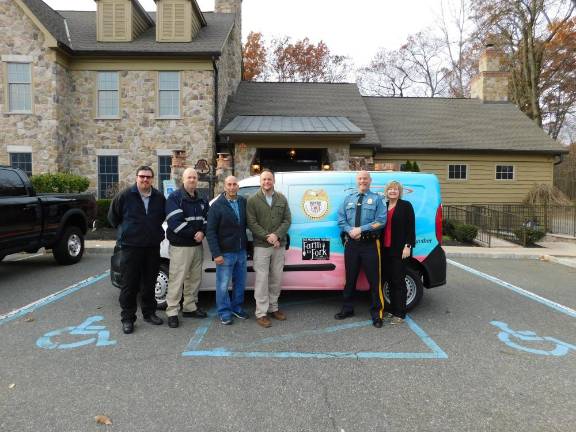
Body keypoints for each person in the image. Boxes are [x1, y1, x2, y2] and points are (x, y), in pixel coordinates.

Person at [108, 166, 166, 334]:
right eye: (142, 176)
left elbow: (160, 217)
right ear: (136, 177)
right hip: (130, 248)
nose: (145, 180)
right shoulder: (125, 196)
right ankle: (127, 318)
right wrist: (127, 231)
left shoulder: (159, 198)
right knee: (129, 285)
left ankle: (149, 313)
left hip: (152, 247)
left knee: (149, 282)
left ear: (152, 179)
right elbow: (113, 218)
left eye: (148, 177)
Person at [335, 170, 387, 328]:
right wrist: (350, 230)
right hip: (351, 245)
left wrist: (361, 229)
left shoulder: (377, 199)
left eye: (365, 178)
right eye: (360, 178)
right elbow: (341, 219)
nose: (362, 181)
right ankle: (347, 308)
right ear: (356, 181)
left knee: (374, 280)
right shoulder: (348, 199)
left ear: (370, 181)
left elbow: (381, 221)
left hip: (370, 245)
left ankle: (377, 314)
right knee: (350, 279)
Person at [164, 168, 209, 329]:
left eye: (194, 177)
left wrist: (202, 232)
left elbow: (206, 219)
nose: (192, 180)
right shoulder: (175, 198)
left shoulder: (201, 199)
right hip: (181, 246)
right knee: (177, 279)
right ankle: (172, 312)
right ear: (183, 179)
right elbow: (175, 223)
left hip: (197, 246)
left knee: (194, 279)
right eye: (189, 177)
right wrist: (194, 234)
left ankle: (190, 307)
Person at [246, 169, 291, 328]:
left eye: (269, 179)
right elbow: (251, 223)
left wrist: (277, 236)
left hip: (279, 245)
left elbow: (287, 220)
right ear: (260, 181)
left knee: (276, 279)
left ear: (273, 181)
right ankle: (261, 313)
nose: (267, 182)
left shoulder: (281, 199)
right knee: (262, 280)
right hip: (261, 246)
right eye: (264, 179)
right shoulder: (253, 200)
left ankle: (274, 308)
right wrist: (268, 237)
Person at [206, 176, 249, 325]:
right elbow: (210, 231)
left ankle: (237, 307)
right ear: (224, 186)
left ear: (238, 186)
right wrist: (216, 253)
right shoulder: (217, 206)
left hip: (241, 251)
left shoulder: (243, 202)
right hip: (225, 253)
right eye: (229, 184)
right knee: (223, 284)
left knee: (240, 282)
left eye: (234, 184)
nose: (232, 187)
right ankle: (224, 311)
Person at [381, 180, 415, 325]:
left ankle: (400, 314)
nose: (393, 191)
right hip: (385, 250)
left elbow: (410, 228)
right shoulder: (385, 206)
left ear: (399, 192)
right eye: (390, 189)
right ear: (386, 192)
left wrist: (408, 246)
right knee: (389, 281)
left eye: (395, 189)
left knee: (398, 282)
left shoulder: (405, 206)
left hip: (400, 250)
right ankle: (392, 310)